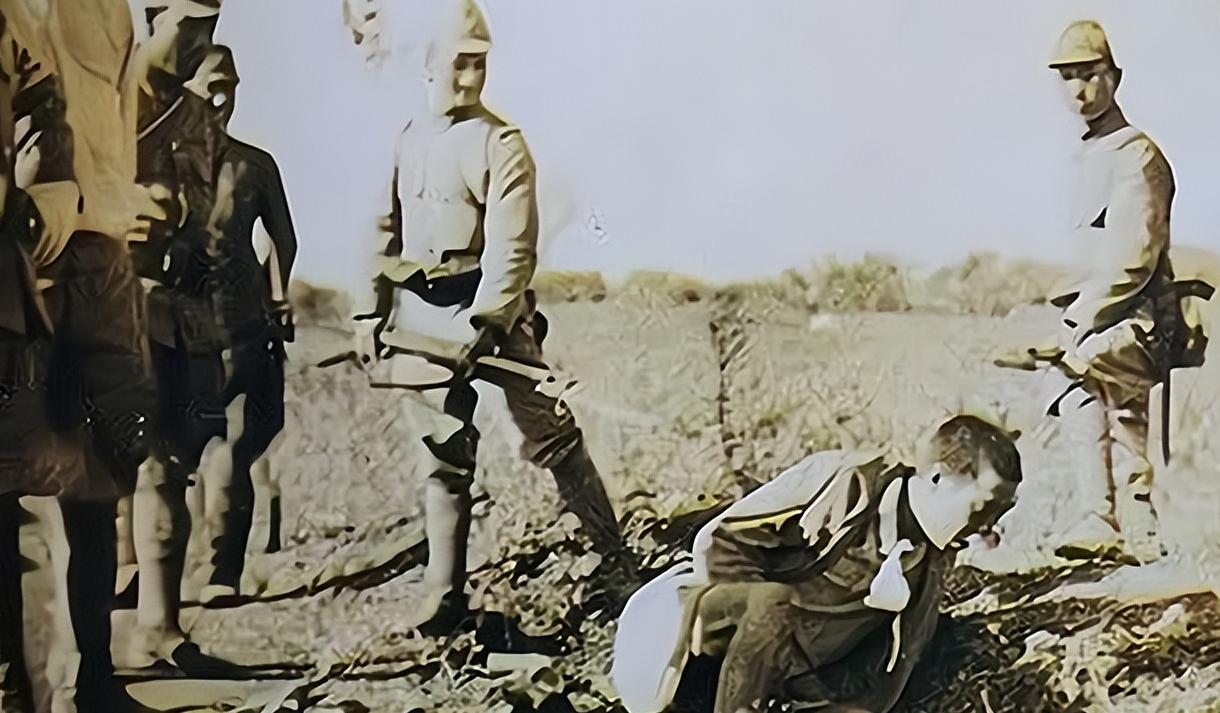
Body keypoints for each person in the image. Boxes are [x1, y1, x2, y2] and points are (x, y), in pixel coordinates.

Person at [349, 0, 636, 633]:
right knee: (443, 459)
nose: (470, 78)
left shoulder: (502, 144)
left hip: (496, 321)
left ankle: (616, 568)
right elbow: (382, 229)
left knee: (554, 436)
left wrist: (486, 323)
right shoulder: (405, 140)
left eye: (480, 65)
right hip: (423, 318)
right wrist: (367, 309)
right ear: (428, 64)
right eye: (458, 63)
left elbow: (513, 247)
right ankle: (443, 598)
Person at [612, 411, 1023, 713]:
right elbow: (718, 541)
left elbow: (896, 665)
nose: (991, 528)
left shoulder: (932, 560)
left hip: (795, 681)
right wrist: (763, 633)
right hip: (687, 648)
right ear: (938, 477)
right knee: (771, 603)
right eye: (985, 507)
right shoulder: (840, 482)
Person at [0, 0, 171, 710]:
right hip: (14, 256)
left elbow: (120, 127)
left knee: (102, 473)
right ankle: (16, 680)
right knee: (6, 478)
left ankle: (94, 676)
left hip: (99, 257)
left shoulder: (111, 11)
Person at [995, 20, 1212, 561]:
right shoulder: (1095, 154)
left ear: (1114, 77)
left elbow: (1134, 257)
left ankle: (1103, 518)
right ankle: (1131, 528)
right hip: (1108, 316)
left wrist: (1078, 322)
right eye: (1067, 78)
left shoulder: (1137, 155)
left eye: (1089, 76)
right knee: (1107, 408)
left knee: (1073, 375)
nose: (1078, 90)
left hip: (1135, 320)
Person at [194, 45, 298, 603]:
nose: (218, 96)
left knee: (238, 443)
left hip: (242, 326)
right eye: (208, 84)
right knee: (167, 453)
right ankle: (152, 581)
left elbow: (283, 239)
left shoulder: (254, 165)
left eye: (228, 85)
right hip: (171, 327)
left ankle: (220, 573)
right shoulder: (152, 159)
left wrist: (277, 300)